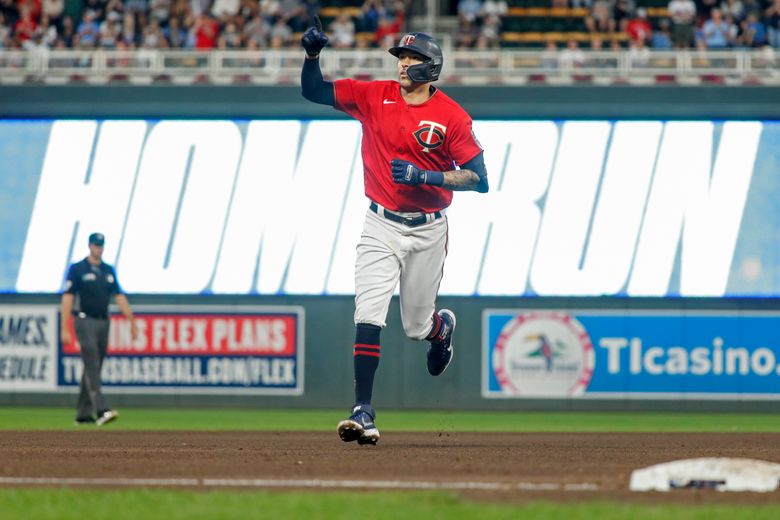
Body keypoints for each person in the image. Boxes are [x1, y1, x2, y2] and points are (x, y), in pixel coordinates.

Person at [300, 18, 489, 446]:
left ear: (430, 66)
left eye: (411, 57)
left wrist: (428, 176)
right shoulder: (374, 96)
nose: (402, 64)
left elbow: (479, 179)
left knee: (416, 326)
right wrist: (312, 57)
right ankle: (362, 410)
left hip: (427, 231)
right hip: (380, 222)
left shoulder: (451, 116)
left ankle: (441, 331)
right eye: (401, 57)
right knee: (368, 313)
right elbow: (313, 91)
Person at [60, 233, 138, 426]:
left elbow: (119, 296)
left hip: (104, 322)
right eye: (96, 245)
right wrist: (64, 327)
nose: (99, 248)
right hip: (84, 321)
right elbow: (68, 298)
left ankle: (83, 414)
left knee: (93, 366)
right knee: (92, 364)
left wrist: (132, 321)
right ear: (89, 246)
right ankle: (102, 409)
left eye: (101, 245)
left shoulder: (108, 270)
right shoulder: (78, 269)